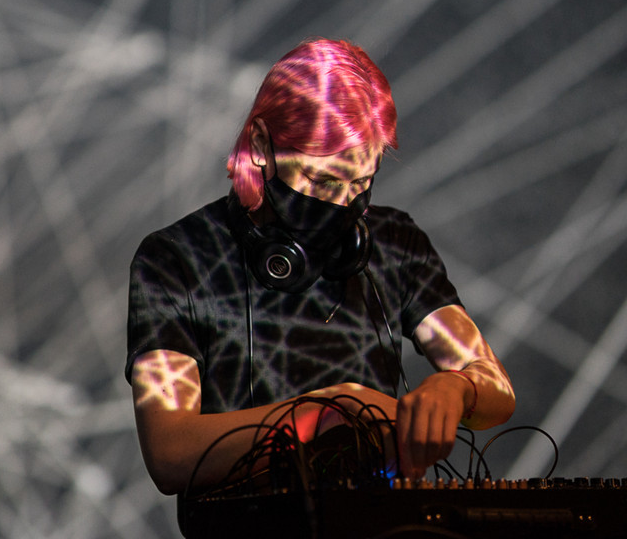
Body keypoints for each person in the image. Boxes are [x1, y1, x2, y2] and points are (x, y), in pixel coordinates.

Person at [126, 38, 515, 503]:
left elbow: (497, 388)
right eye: (323, 181)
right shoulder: (177, 258)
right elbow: (170, 452)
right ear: (261, 145)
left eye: (362, 184)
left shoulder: (395, 244)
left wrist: (458, 387)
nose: (344, 205)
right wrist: (328, 412)